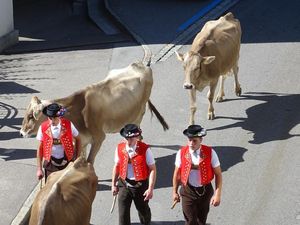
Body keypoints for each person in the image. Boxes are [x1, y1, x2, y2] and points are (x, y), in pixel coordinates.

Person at [172, 124, 222, 225]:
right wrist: (175, 192)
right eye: (189, 140)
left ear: (201, 140)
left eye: (194, 140)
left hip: (205, 191)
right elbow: (177, 174)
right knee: (190, 221)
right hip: (187, 191)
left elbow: (218, 175)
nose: (191, 143)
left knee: (201, 221)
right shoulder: (181, 153)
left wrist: (217, 194)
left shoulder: (211, 153)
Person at [111, 124, 157, 225]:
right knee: (123, 216)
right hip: (124, 184)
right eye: (126, 138)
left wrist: (150, 189)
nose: (128, 141)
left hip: (140, 186)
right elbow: (117, 166)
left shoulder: (145, 149)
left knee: (143, 212)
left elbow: (153, 169)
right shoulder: (119, 148)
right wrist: (113, 184)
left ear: (136, 137)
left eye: (131, 138)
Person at [36, 103, 82, 181]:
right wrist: (39, 169)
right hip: (50, 163)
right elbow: (40, 149)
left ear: (59, 117)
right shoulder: (43, 127)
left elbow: (79, 139)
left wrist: (77, 159)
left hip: (67, 162)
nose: (52, 121)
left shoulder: (68, 124)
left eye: (55, 118)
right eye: (50, 118)